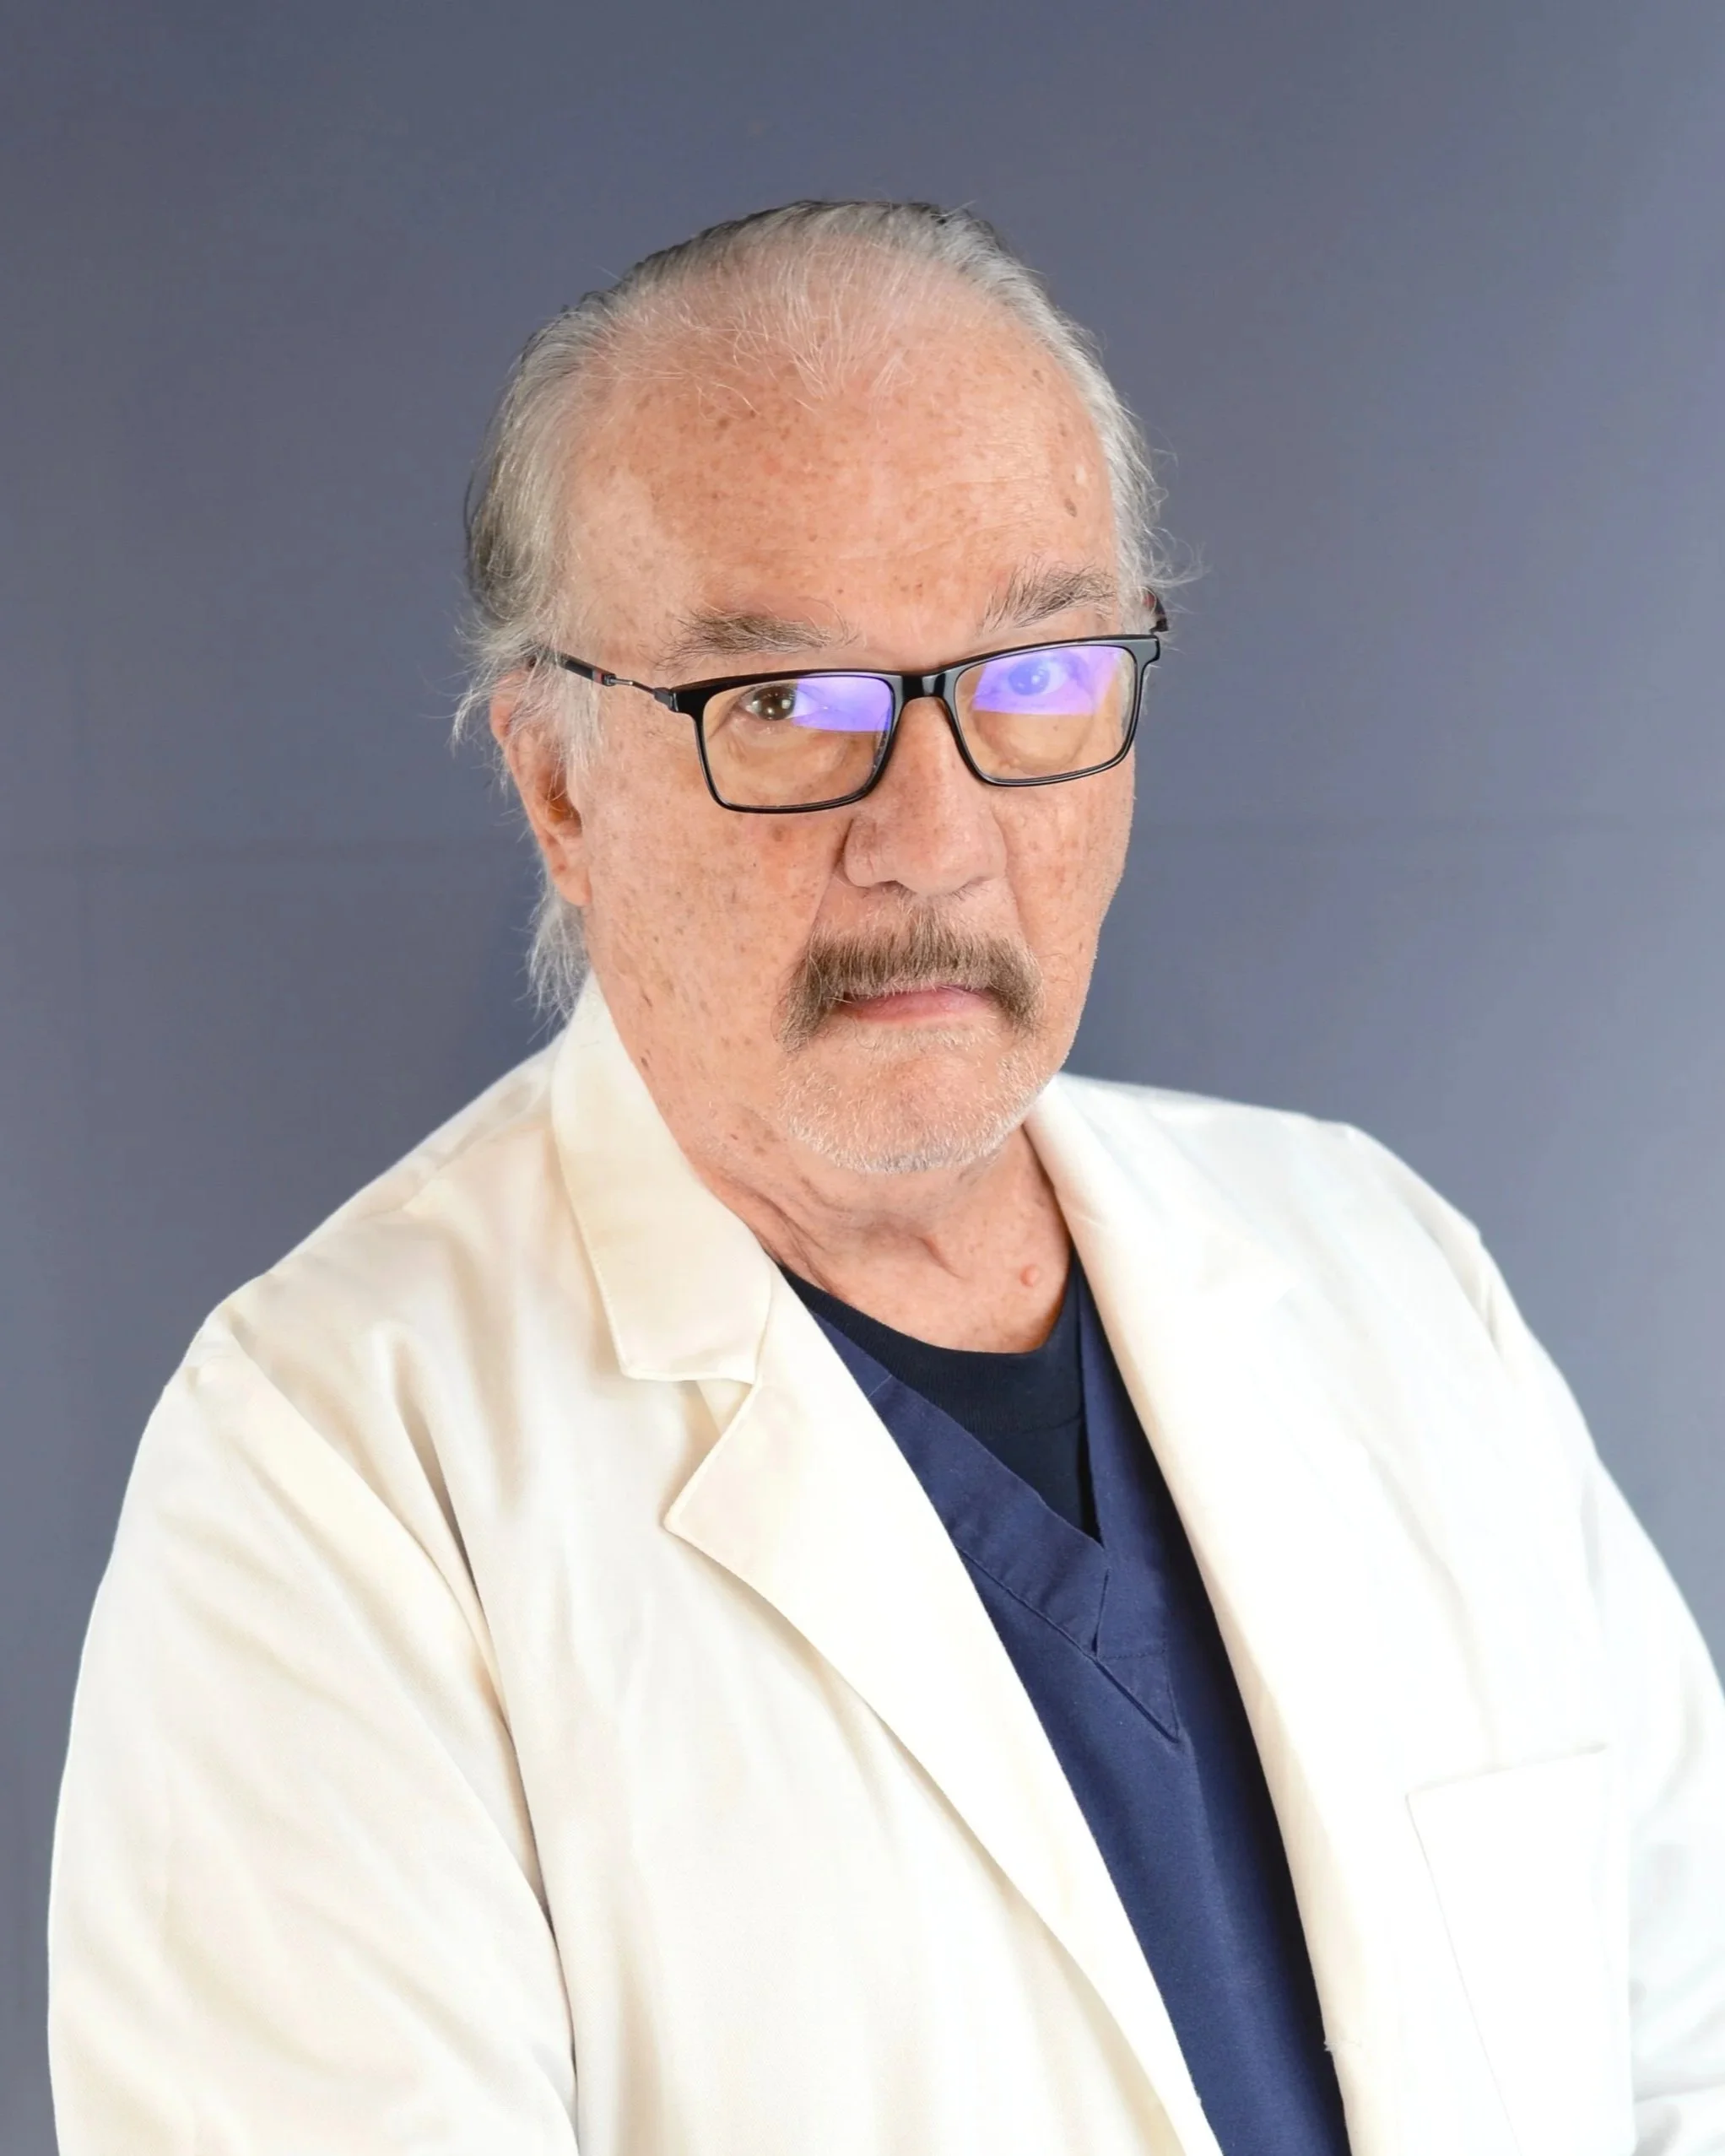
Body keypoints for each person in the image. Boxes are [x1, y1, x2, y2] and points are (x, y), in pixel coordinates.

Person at [49, 200, 1725, 2156]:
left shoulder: (1381, 1266)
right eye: (783, 705)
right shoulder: (333, 1472)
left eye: (1032, 672)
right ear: (559, 784)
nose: (931, 834)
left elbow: (1683, 2051)